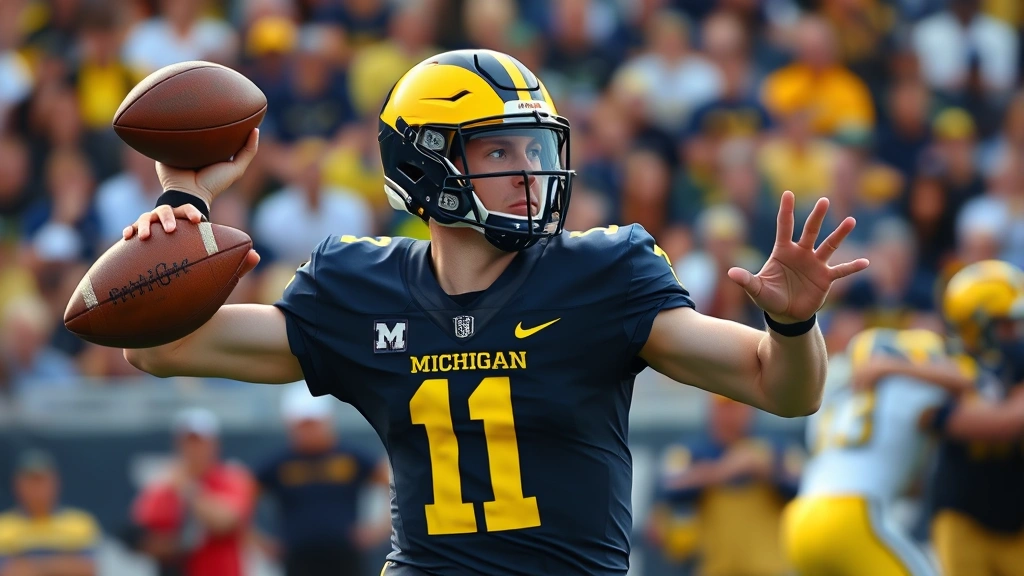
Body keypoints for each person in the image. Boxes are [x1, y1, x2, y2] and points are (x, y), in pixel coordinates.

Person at [119, 49, 868, 576]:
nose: (530, 173)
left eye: (535, 149)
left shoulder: (599, 275)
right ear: (426, 164)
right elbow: (157, 347)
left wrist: (793, 323)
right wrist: (184, 201)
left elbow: (785, 390)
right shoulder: (360, 286)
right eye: (500, 151)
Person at [850, 260, 1024, 576]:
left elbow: (1009, 421)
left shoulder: (989, 364)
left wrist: (895, 367)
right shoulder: (940, 360)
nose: (1015, 332)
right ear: (978, 323)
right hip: (962, 512)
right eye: (1006, 323)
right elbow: (966, 422)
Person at [782, 327, 949, 576]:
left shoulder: (833, 394)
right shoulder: (907, 389)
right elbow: (966, 391)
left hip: (799, 519)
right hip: (852, 516)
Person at [647, 396, 801, 576]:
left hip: (771, 569)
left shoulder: (777, 448)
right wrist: (724, 471)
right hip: (714, 568)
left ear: (750, 410)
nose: (729, 415)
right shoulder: (691, 451)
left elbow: (801, 490)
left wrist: (766, 470)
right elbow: (670, 487)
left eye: (736, 407)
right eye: (723, 407)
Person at [254, 382, 391, 576]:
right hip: (297, 560)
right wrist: (259, 542)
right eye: (303, 425)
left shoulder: (349, 457)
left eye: (314, 423)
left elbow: (390, 482)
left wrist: (380, 529)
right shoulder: (280, 464)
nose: (309, 431)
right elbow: (245, 498)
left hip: (346, 558)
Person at [129, 408, 256, 576]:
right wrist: (173, 544)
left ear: (215, 444)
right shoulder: (164, 485)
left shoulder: (231, 478)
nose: (194, 448)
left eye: (200, 442)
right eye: (189, 442)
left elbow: (226, 521)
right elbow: (142, 529)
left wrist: (187, 489)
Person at [0, 449, 100, 576]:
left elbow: (87, 569)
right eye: (31, 481)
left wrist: (32, 566)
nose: (37, 489)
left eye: (42, 480)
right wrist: (62, 564)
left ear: (55, 482)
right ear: (17, 485)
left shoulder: (79, 523)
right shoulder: (3, 526)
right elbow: (7, 572)